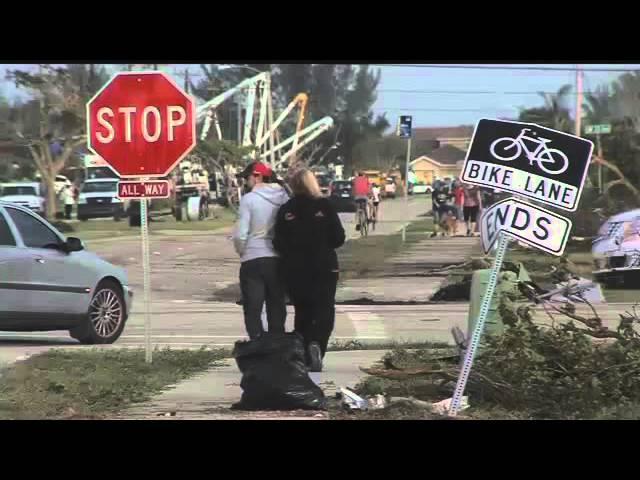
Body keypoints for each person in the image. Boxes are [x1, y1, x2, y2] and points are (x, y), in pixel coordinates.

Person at [274, 168, 345, 372]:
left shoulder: (287, 209)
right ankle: (317, 344)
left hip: (295, 269)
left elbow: (278, 242)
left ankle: (304, 352)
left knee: (302, 311)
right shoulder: (325, 205)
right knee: (325, 309)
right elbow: (338, 237)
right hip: (324, 266)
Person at [232, 161, 290, 340]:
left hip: (253, 259)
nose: (246, 182)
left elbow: (240, 234)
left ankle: (257, 343)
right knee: (277, 306)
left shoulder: (249, 199)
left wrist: (242, 251)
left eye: (247, 178)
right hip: (277, 259)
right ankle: (277, 343)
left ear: (257, 177)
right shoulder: (284, 197)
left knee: (253, 307)